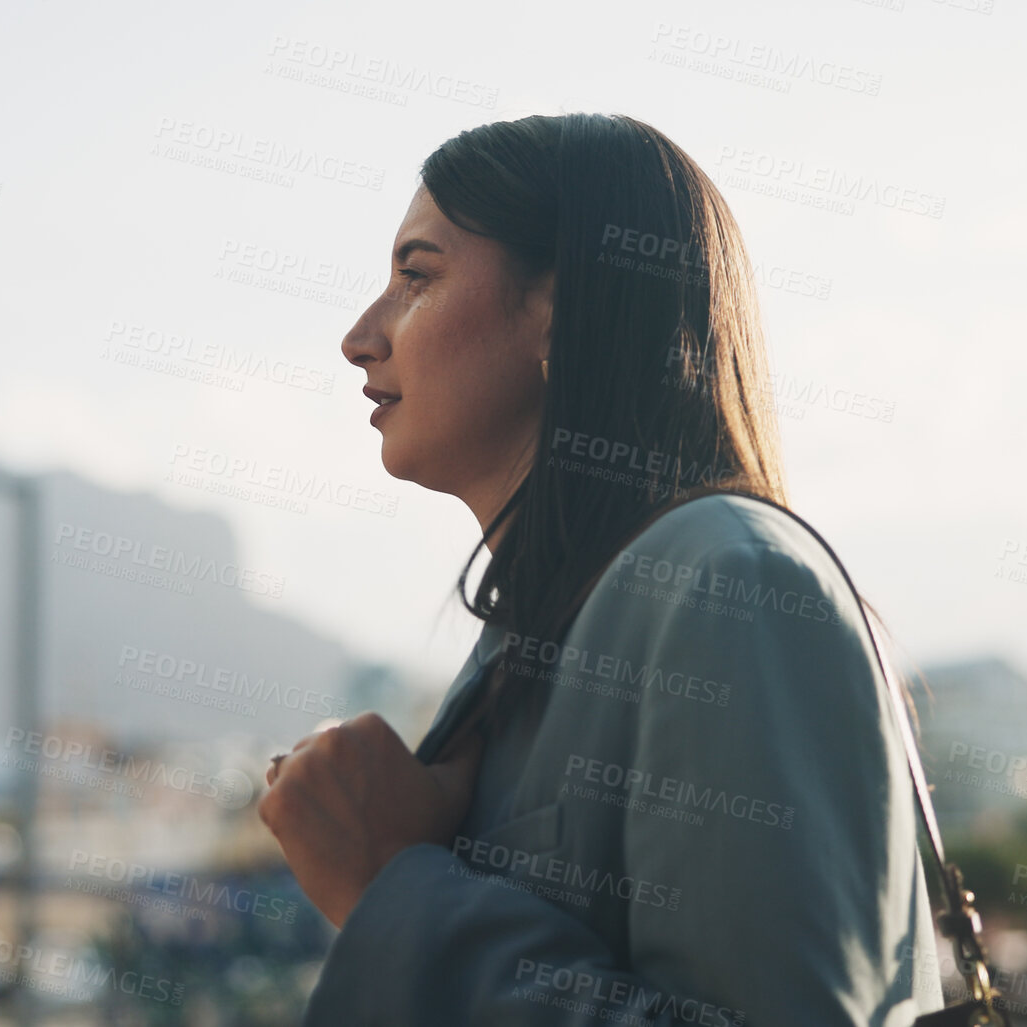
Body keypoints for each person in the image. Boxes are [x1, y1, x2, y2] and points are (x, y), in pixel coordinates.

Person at [258, 112, 946, 1025]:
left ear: (565, 305)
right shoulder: (537, 628)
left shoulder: (728, 582)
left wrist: (392, 885)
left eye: (415, 277)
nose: (359, 335)